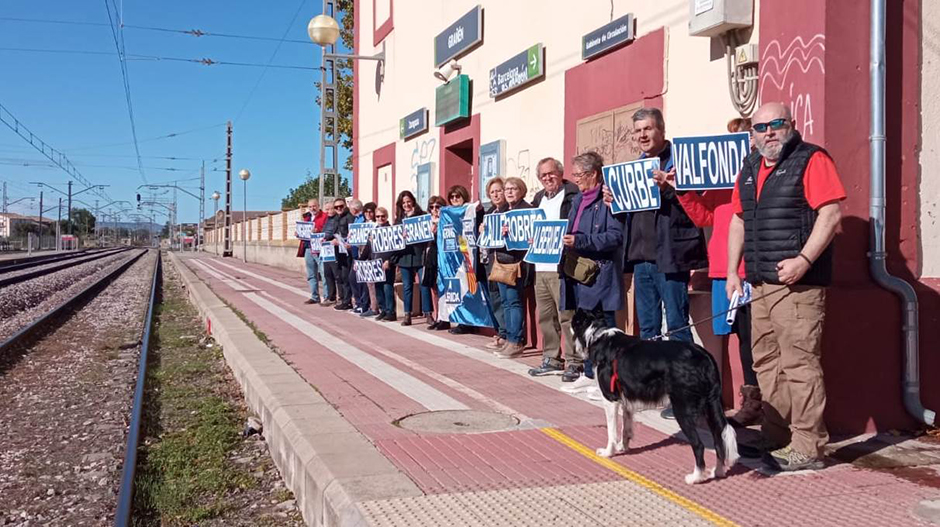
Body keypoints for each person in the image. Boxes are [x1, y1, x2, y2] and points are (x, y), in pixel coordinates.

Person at [727, 102, 845, 471]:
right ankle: (777, 434)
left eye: (777, 124)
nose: (769, 132)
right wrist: (733, 271)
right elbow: (738, 221)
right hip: (760, 283)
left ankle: (809, 446)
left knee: (799, 364)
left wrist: (804, 260)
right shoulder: (749, 167)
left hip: (798, 284)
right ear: (752, 134)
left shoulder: (811, 159)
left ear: (791, 125)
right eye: (761, 127)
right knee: (766, 362)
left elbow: (831, 213)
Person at [605, 107, 707, 419]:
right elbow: (629, 215)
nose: (643, 136)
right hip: (641, 258)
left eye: (648, 129)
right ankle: (655, 390)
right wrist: (615, 202)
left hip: (671, 256)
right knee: (648, 329)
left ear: (661, 129)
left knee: (677, 324)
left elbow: (698, 202)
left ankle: (688, 395)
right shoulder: (634, 168)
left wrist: (671, 188)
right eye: (637, 131)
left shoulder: (680, 162)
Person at [663, 117, 762, 426]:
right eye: (731, 137)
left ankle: (757, 401)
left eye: (743, 137)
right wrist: (683, 191)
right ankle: (734, 398)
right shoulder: (721, 184)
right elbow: (704, 217)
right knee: (731, 336)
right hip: (722, 271)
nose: (737, 143)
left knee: (752, 339)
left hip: (749, 269)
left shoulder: (759, 177)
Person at [560, 151, 624, 383]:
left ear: (594, 174)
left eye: (579, 174)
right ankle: (589, 373)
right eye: (574, 174)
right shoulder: (578, 199)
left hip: (600, 275)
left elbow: (615, 237)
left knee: (604, 330)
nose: (576, 179)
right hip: (577, 272)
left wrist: (581, 241)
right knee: (584, 327)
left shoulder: (607, 198)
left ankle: (608, 378)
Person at [527, 158, 581, 377]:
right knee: (545, 316)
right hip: (540, 266)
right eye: (543, 176)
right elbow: (528, 226)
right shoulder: (538, 199)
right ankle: (551, 358)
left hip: (561, 265)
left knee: (567, 315)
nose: (547, 178)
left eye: (551, 174)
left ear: (560, 173)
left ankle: (574, 361)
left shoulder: (572, 196)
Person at [491, 177, 533, 358]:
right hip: (502, 262)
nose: (508, 192)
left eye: (513, 189)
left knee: (514, 302)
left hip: (517, 263)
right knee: (506, 303)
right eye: (506, 189)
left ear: (521, 191)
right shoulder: (501, 210)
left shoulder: (526, 210)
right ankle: (509, 339)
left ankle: (516, 340)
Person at [392, 191, 433, 326]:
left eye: (408, 201)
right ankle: (407, 314)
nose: (406, 204)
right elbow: (393, 238)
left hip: (419, 255)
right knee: (407, 286)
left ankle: (428, 313)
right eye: (403, 203)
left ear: (413, 201)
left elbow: (427, 230)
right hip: (405, 257)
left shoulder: (421, 216)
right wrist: (400, 235)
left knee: (424, 284)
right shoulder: (398, 220)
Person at [480, 177, 509, 350]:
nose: (496, 194)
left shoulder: (509, 211)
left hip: (505, 262)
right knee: (495, 298)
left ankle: (507, 335)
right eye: (493, 192)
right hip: (490, 261)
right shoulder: (489, 212)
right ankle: (501, 332)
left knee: (506, 300)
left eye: (499, 190)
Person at [362, 206, 397, 321]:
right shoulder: (373, 231)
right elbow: (367, 248)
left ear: (386, 217)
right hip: (375, 264)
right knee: (378, 288)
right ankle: (383, 310)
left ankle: (391, 312)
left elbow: (396, 248)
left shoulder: (391, 230)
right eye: (378, 216)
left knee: (387, 288)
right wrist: (360, 261)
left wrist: (390, 261)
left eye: (383, 216)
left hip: (387, 264)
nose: (380, 218)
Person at [324, 197, 354, 310]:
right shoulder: (336, 218)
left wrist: (343, 241)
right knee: (340, 276)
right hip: (338, 251)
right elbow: (333, 233)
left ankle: (347, 301)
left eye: (341, 206)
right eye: (336, 207)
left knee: (346, 277)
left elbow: (352, 234)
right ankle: (344, 299)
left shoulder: (349, 217)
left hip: (347, 251)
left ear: (345, 206)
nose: (339, 209)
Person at [423, 196, 447, 328]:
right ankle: (437, 316)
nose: (434, 209)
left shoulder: (446, 220)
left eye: (437, 207)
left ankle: (444, 318)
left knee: (443, 287)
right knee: (434, 288)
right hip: (430, 256)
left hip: (443, 257)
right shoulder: (426, 221)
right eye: (431, 207)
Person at [344, 199, 372, 315]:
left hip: (363, 254)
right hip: (356, 253)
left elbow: (362, 236)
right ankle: (359, 303)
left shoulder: (361, 220)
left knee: (360, 280)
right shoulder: (356, 219)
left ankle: (363, 304)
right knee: (353, 278)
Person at [299, 198, 327, 304]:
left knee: (323, 272)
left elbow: (327, 230)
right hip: (308, 247)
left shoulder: (324, 216)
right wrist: (299, 234)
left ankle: (326, 296)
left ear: (318, 206)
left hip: (319, 248)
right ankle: (315, 296)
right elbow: (303, 231)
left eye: (314, 206)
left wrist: (318, 231)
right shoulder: (306, 217)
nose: (312, 208)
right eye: (310, 207)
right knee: (311, 274)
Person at [359, 202, 379, 318]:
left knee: (373, 284)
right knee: (367, 283)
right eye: (366, 211)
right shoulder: (362, 225)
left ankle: (375, 307)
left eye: (370, 211)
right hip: (364, 255)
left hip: (374, 257)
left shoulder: (377, 225)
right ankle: (367, 305)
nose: (368, 214)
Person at [319, 200, 337, 305]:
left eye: (331, 208)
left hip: (334, 250)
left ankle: (339, 297)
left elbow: (333, 233)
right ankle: (331, 296)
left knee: (336, 275)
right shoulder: (327, 220)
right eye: (327, 209)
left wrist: (327, 237)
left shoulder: (336, 220)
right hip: (326, 251)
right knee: (327, 274)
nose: (329, 211)